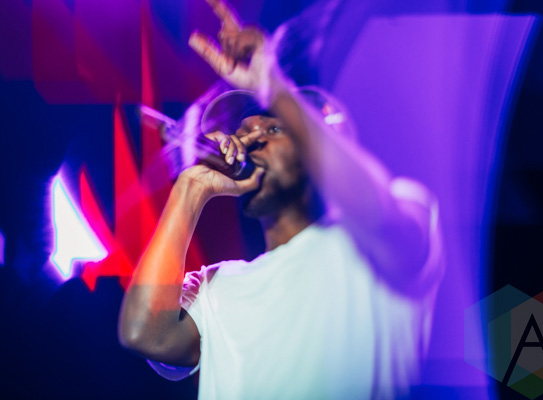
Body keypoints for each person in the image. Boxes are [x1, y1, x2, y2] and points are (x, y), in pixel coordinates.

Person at [118, 0, 443, 398]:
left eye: (273, 130)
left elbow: (375, 213)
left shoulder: (384, 225)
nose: (252, 140)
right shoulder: (217, 286)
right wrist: (191, 187)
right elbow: (143, 332)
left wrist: (272, 87)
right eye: (245, 134)